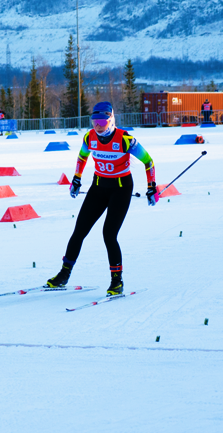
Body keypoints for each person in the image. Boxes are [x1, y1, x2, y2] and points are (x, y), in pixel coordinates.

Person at [45, 101, 157, 297]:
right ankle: (63, 275)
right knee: (79, 231)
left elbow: (148, 161)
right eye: (94, 121)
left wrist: (151, 187)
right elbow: (82, 157)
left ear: (111, 120)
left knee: (108, 234)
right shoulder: (89, 137)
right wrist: (77, 180)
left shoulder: (125, 139)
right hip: (98, 187)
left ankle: (117, 281)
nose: (98, 125)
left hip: (121, 189)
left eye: (102, 122)